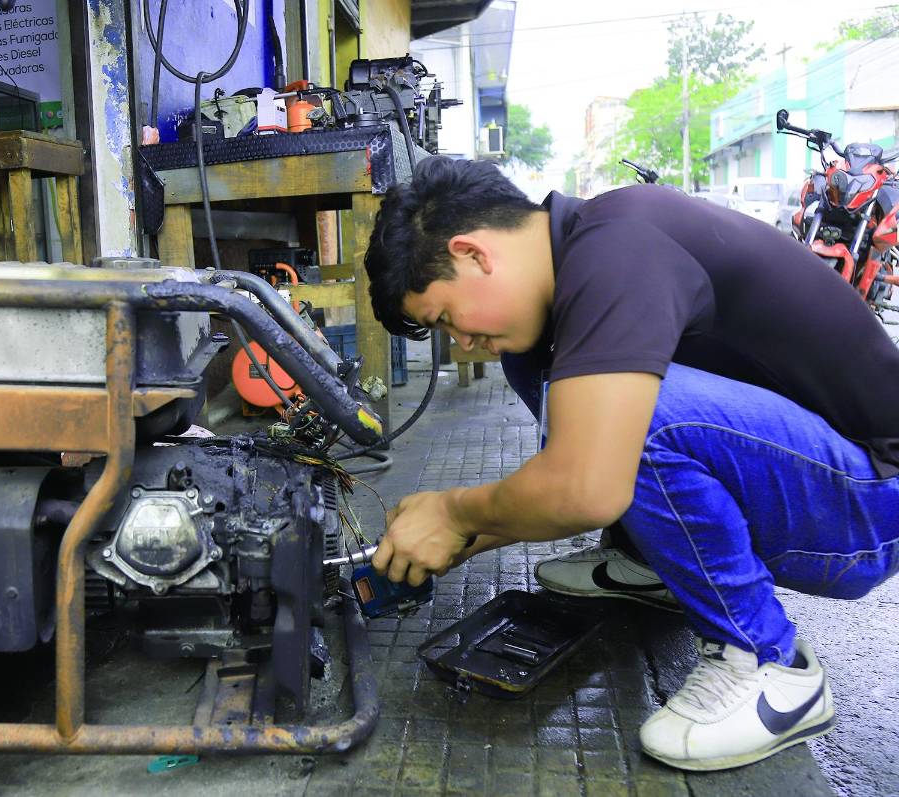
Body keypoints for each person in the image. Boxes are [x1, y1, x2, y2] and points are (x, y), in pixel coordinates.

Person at [364, 156, 899, 771]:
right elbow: (577, 475)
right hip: (818, 475)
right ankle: (648, 561)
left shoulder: (619, 246)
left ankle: (769, 664)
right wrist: (464, 536)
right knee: (550, 374)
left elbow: (586, 486)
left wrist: (456, 512)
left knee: (639, 421)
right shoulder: (577, 270)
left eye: (446, 320)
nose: (460, 343)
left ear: (473, 254)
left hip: (871, 503)